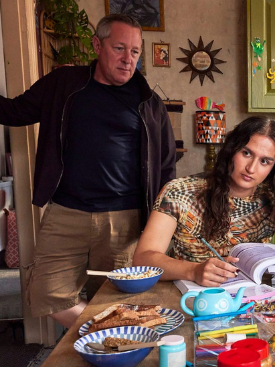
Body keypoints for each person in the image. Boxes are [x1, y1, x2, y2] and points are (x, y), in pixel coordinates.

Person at [0, 14, 175, 328]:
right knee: (45, 294)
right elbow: (14, 111)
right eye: (119, 48)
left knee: (120, 300)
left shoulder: (149, 102)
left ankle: (110, 352)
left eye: (135, 52)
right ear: (97, 45)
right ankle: (106, 331)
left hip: (126, 220)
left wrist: (161, 223)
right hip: (67, 213)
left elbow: (165, 168)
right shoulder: (63, 84)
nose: (127, 59)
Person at [133, 116, 275, 286]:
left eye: (265, 161)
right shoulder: (179, 192)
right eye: (246, 153)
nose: (251, 168)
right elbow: (142, 259)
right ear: (231, 151)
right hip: (186, 297)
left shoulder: (272, 197)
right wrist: (193, 271)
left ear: (274, 167)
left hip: (250, 298)